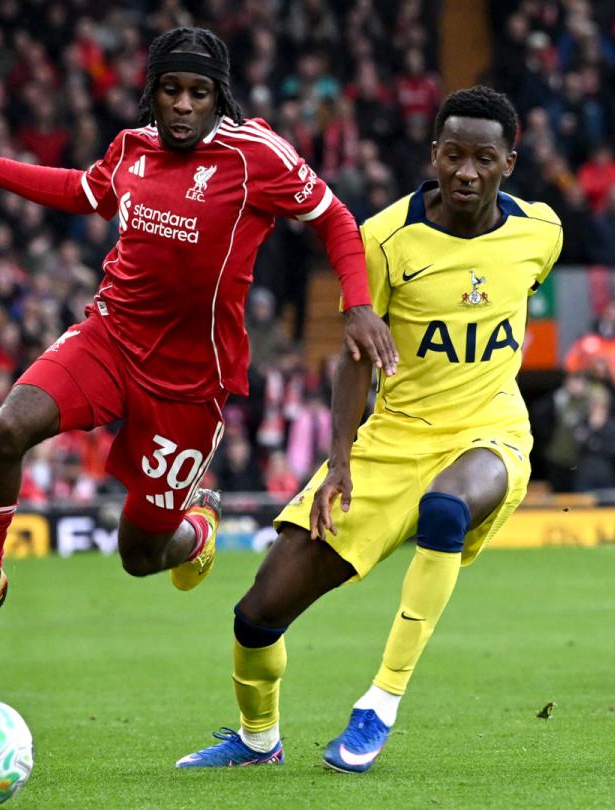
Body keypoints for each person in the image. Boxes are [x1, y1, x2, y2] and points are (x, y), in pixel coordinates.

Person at [0, 27, 398, 643]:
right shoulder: (131, 148)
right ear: (152, 95)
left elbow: (335, 218)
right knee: (5, 429)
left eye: (197, 92)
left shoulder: (255, 156)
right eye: (170, 90)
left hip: (189, 384)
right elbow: (81, 191)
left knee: (139, 554)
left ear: (218, 97)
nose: (183, 104)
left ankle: (198, 531)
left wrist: (356, 305)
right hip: (109, 339)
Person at [176, 86, 562, 770]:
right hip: (390, 443)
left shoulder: (540, 234)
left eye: (483, 158)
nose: (465, 171)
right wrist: (340, 464)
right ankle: (258, 738)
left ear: (509, 161)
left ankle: (379, 703)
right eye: (452, 155)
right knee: (257, 614)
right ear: (433, 155)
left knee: (446, 510)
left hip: (488, 431)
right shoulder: (382, 240)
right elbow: (353, 357)